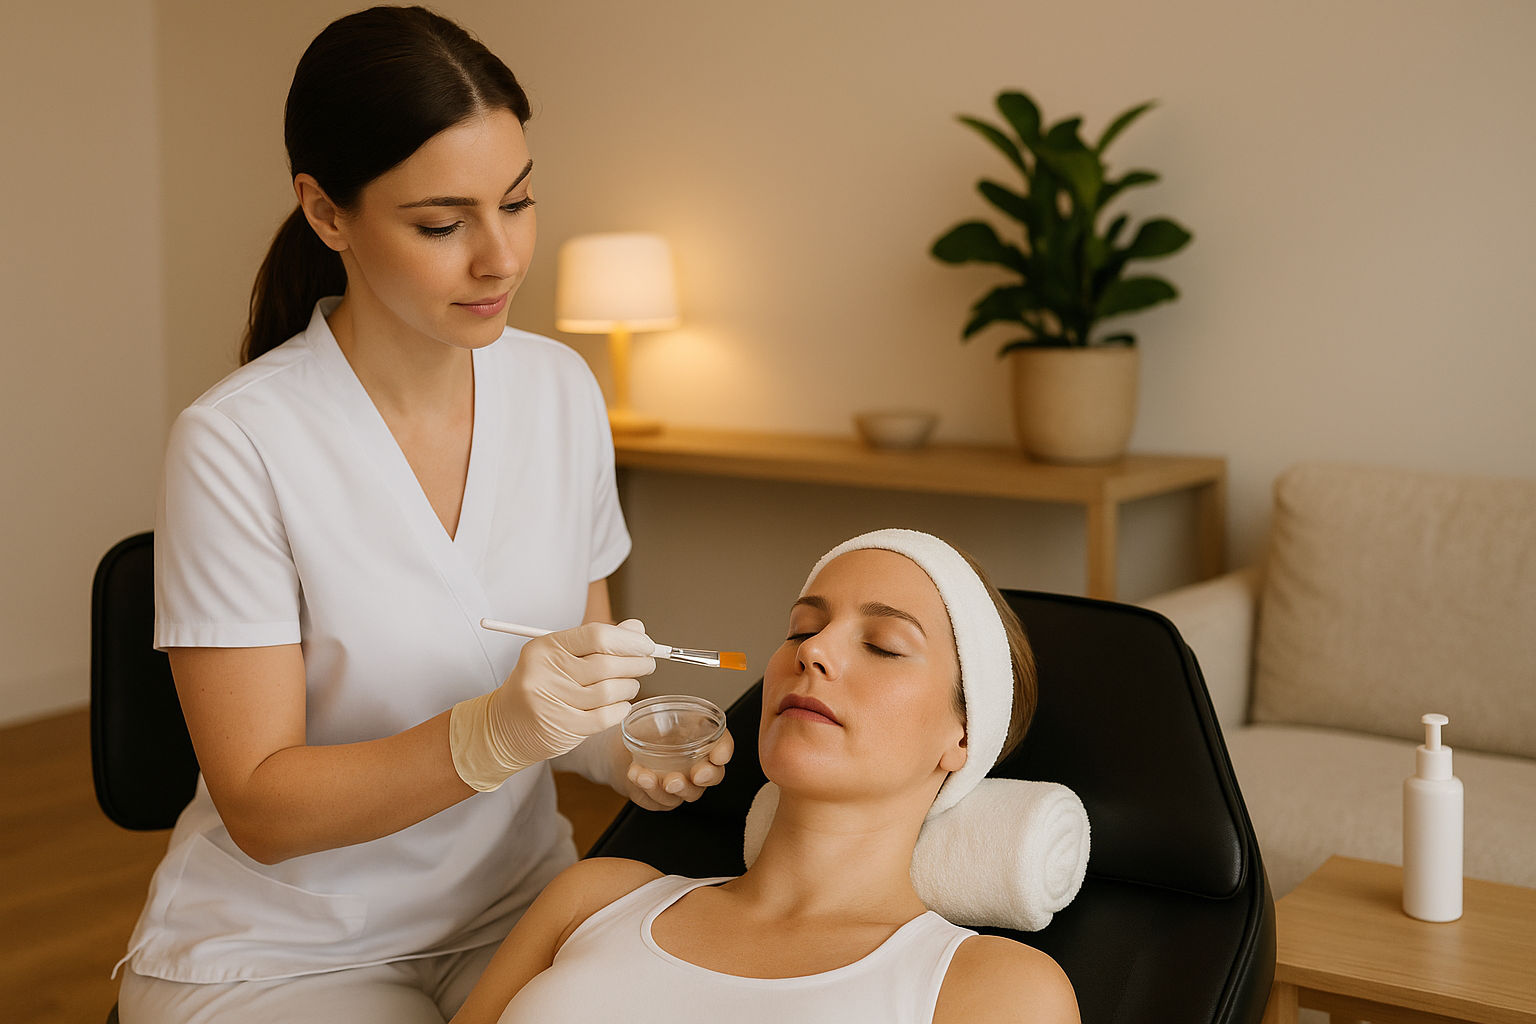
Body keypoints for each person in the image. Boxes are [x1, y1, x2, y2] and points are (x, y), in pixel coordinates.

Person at [116, 8, 730, 1022]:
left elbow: (574, 683)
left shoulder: (561, 391)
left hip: (523, 910)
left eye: (519, 202)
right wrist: (491, 730)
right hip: (288, 948)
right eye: (442, 224)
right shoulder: (237, 442)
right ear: (325, 212)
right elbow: (262, 806)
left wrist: (628, 748)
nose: (500, 258)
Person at [451, 529, 1081, 1024]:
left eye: (884, 645)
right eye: (803, 628)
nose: (813, 650)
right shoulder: (594, 899)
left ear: (963, 738)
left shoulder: (993, 988)